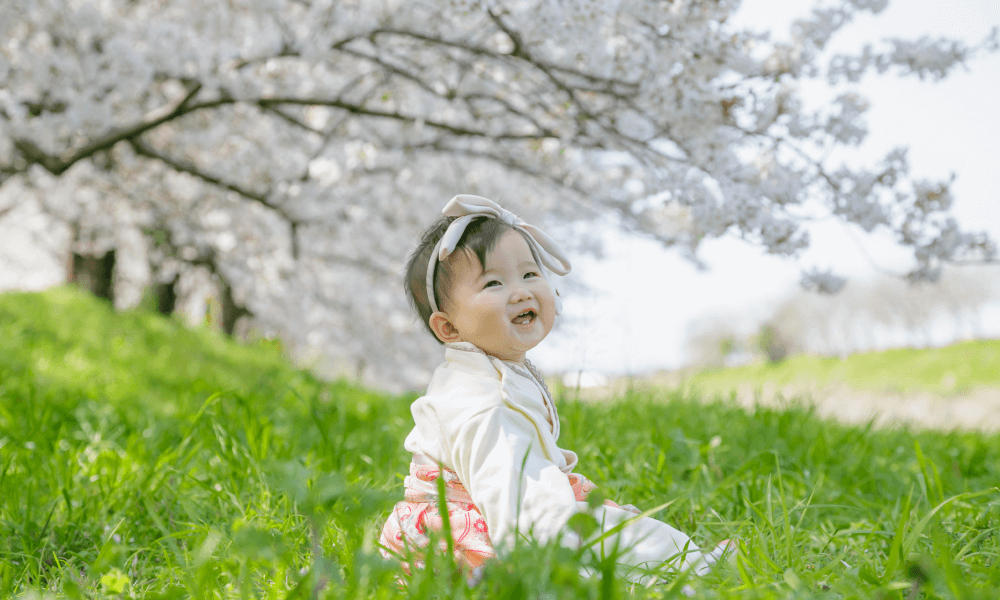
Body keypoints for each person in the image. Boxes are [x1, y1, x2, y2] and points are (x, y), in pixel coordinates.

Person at [378, 194, 731, 582]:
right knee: (614, 537)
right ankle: (690, 568)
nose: (522, 291)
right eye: (493, 282)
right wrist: (550, 545)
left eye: (530, 274)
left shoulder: (494, 372)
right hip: (480, 532)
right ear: (449, 328)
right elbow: (519, 505)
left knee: (609, 529)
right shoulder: (484, 402)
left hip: (489, 511)